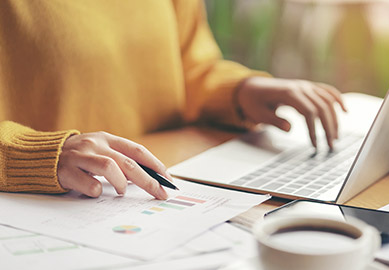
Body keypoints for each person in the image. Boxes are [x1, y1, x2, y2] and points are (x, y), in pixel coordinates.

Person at [0, 0, 345, 200]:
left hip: (161, 187)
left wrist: (240, 90)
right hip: (56, 205)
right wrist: (40, 152)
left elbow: (190, 65)